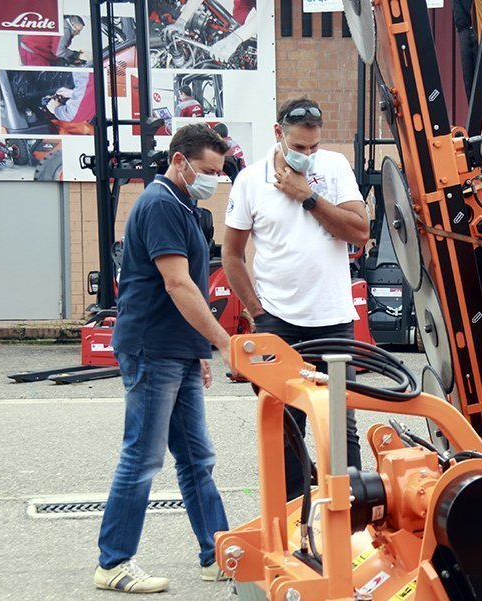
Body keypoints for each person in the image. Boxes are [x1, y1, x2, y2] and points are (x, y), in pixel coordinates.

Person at [94, 124, 233, 594]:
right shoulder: (158, 205)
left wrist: (198, 350)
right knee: (142, 458)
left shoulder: (184, 205)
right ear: (180, 160)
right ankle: (113, 563)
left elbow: (188, 286)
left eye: (219, 172)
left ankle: (218, 554)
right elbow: (177, 284)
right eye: (208, 170)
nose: (214, 179)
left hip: (177, 350)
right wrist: (223, 341)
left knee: (197, 459)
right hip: (153, 349)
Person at [222, 98, 369, 500]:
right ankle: (292, 523)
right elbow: (231, 255)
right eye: (298, 147)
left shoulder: (334, 168)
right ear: (278, 134)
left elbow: (359, 231)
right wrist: (257, 313)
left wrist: (307, 197)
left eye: (312, 147)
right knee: (286, 427)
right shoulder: (251, 181)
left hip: (334, 320)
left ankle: (352, 519)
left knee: (341, 426)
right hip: (279, 323)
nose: (306, 155)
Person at [19, 15, 86, 67]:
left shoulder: (61, 24)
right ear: (73, 27)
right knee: (43, 77)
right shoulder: (65, 30)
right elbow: (58, 52)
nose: (78, 33)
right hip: (34, 52)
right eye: (78, 30)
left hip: (31, 49)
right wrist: (74, 55)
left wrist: (71, 55)